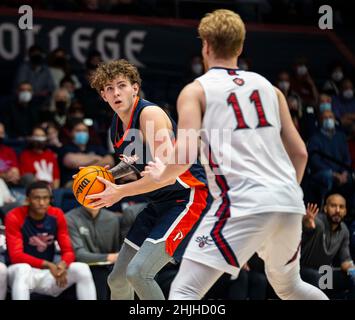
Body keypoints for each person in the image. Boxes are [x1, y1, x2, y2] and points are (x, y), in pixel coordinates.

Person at [142, 9, 328, 300]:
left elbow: (184, 156)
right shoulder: (270, 88)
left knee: (184, 291)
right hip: (289, 201)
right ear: (240, 47)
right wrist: (286, 193)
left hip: (242, 202)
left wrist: (160, 174)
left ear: (205, 46)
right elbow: (300, 153)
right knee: (290, 287)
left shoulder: (196, 91)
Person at [86, 59, 211, 300]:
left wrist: (119, 192)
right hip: (158, 203)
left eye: (121, 85)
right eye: (109, 88)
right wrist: (106, 176)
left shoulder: (149, 115)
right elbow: (134, 160)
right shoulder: (116, 125)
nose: (116, 92)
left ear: (135, 88)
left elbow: (164, 176)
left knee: (139, 273)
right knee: (118, 279)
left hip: (187, 199)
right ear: (103, 95)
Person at [5, 181, 96, 300]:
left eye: (45, 198)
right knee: (23, 269)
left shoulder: (56, 214)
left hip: (49, 273)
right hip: (20, 275)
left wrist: (62, 265)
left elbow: (68, 250)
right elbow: (16, 256)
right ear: (27, 200)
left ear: (50, 199)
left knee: (81, 268)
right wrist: (48, 265)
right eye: (36, 198)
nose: (42, 203)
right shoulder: (14, 216)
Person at [65, 206, 137, 299]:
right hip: (88, 267)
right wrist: (110, 257)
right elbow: (79, 255)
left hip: (111, 266)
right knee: (100, 275)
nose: (94, 199)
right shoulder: (70, 218)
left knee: (130, 273)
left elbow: (119, 247)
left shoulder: (112, 218)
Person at [301, 197, 355, 299]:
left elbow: (345, 261)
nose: (337, 210)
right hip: (302, 269)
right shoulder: (316, 221)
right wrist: (307, 226)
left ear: (345, 211)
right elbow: (308, 228)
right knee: (318, 277)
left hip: (323, 272)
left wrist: (353, 272)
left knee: (348, 279)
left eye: (341, 207)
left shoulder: (344, 230)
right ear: (325, 208)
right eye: (333, 206)